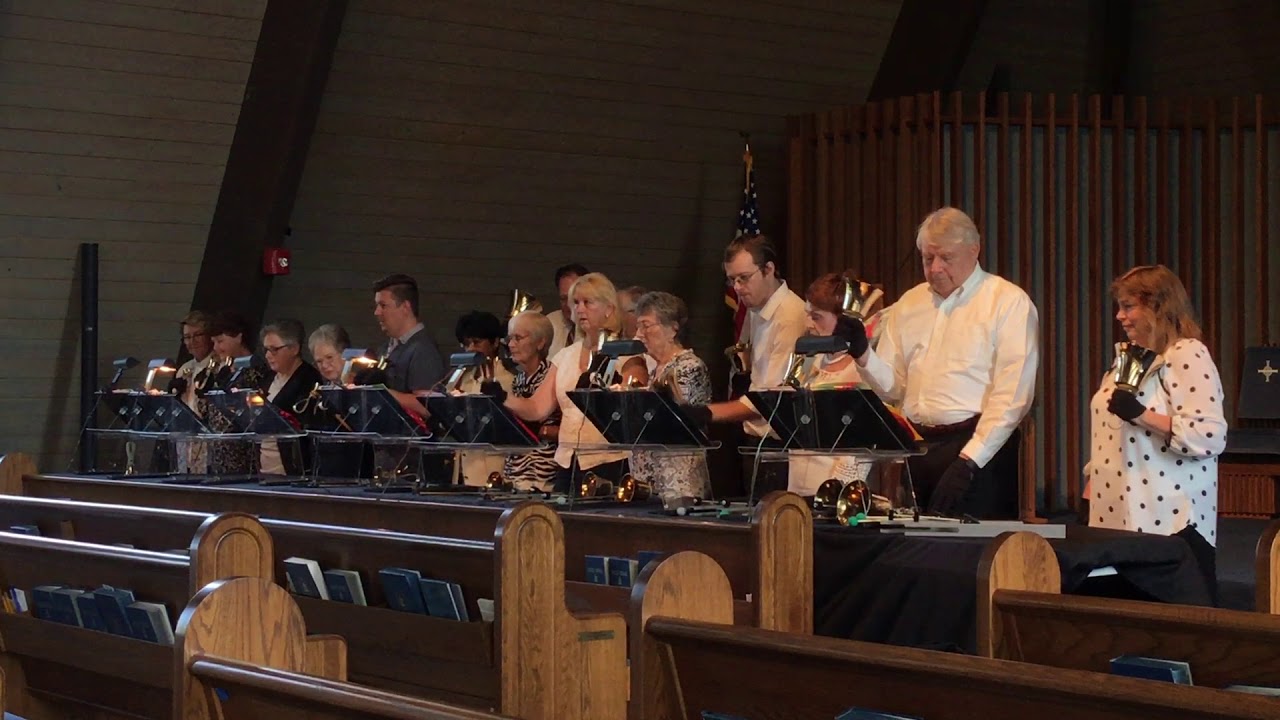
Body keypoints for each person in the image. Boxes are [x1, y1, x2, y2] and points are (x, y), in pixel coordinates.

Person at [849, 207, 1039, 519]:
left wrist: (970, 460)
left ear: (974, 250)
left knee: (977, 557)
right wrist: (863, 355)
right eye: (927, 258)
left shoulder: (1007, 301)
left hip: (978, 449)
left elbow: (1012, 395)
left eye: (946, 258)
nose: (935, 268)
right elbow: (894, 387)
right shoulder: (910, 303)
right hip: (920, 446)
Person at [1087, 265, 1226, 601]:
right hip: (1115, 518)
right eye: (1120, 306)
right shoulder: (1131, 359)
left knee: (1174, 639)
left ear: (1159, 307)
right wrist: (1093, 478)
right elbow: (1112, 428)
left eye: (1129, 306)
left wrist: (1141, 415)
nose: (1120, 316)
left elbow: (1209, 436)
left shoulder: (1187, 353)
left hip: (1168, 523)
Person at [502, 272, 648, 494]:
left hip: (609, 462)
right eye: (576, 303)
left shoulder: (627, 353)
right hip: (567, 463)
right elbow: (536, 408)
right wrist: (501, 397)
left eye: (587, 303)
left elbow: (635, 407)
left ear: (609, 308)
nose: (579, 309)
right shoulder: (565, 356)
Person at [699, 234, 807, 495]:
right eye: (731, 279)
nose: (736, 287)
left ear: (768, 269)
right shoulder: (757, 311)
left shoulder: (790, 316)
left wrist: (705, 413)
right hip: (758, 442)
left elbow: (769, 399)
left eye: (743, 278)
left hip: (780, 449)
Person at [785, 273, 876, 496]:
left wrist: (835, 492)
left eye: (816, 317)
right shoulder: (806, 359)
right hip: (797, 489)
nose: (808, 324)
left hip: (835, 492)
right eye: (807, 315)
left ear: (845, 322)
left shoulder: (861, 370)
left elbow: (860, 449)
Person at [629, 291, 713, 503]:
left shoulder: (689, 366)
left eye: (646, 326)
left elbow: (679, 421)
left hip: (677, 485)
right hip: (648, 483)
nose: (639, 334)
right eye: (638, 326)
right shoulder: (655, 369)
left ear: (673, 328)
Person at [500, 310, 560, 492]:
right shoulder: (518, 380)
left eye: (518, 338)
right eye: (509, 338)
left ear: (540, 342)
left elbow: (536, 414)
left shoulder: (552, 375)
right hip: (516, 473)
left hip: (541, 476)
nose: (511, 344)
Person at [373, 274, 445, 416]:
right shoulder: (385, 348)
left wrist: (379, 392)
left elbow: (426, 406)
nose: (377, 312)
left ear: (405, 307)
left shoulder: (424, 350)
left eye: (383, 305)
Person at [258, 319, 323, 476]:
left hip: (293, 467)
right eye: (266, 349)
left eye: (274, 349)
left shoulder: (309, 379)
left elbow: (303, 424)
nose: (268, 355)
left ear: (294, 349)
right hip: (264, 464)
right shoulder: (268, 378)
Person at [452, 311, 515, 394]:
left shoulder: (510, 379)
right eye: (466, 343)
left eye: (477, 342)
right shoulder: (462, 378)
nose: (471, 348)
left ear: (495, 342)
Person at [546, 263, 588, 357]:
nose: (569, 304)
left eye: (573, 298)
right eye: (564, 298)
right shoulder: (550, 323)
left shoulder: (595, 327)